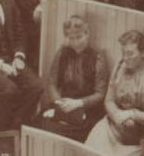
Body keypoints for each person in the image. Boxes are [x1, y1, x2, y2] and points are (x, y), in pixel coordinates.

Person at [85, 29, 144, 156]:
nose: (125, 58)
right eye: (123, 53)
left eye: (130, 54)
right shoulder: (120, 66)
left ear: (143, 53)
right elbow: (108, 100)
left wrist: (132, 114)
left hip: (139, 137)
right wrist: (116, 115)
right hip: (112, 125)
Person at [35, 13, 109, 142]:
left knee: (74, 132)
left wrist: (78, 104)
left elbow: (100, 93)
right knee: (43, 123)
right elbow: (52, 82)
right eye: (71, 38)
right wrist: (59, 103)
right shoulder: (63, 52)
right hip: (64, 105)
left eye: (79, 37)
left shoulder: (98, 57)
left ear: (87, 34)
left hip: (87, 109)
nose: (75, 42)